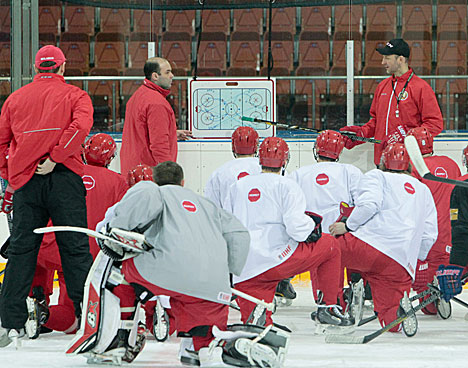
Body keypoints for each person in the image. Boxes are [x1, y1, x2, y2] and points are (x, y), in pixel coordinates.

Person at [85, 161, 274, 367]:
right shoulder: (207, 204)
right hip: (213, 283)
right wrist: (228, 273)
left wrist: (115, 230)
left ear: (155, 180)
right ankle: (206, 350)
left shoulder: (152, 192)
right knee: (206, 327)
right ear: (183, 182)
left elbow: (117, 228)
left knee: (117, 273)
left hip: (163, 271)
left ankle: (118, 341)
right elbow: (239, 235)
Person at [0, 45, 94, 343]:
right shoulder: (75, 96)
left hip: (27, 182)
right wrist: (56, 156)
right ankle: (88, 317)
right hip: (64, 177)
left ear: (36, 68)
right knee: (76, 249)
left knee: (21, 251)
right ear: (62, 68)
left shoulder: (15, 99)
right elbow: (82, 126)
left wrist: (12, 174)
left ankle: (10, 321)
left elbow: (1, 144)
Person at [223, 137, 352, 328]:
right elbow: (297, 230)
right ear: (285, 160)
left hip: (245, 269)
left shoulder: (238, 186)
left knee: (257, 326)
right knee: (330, 245)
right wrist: (312, 226)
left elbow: (226, 224)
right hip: (276, 261)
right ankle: (328, 307)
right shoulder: (287, 185)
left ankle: (263, 316)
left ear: (260, 159)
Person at [27, 133, 129, 337]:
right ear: (110, 157)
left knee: (37, 267)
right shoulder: (118, 182)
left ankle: (32, 300)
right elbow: (123, 222)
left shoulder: (64, 172)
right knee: (74, 318)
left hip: (45, 243)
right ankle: (44, 314)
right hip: (79, 252)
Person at [329, 143, 438, 331]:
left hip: (368, 247)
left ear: (383, 162)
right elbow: (430, 232)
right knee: (391, 324)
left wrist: (347, 226)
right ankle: (396, 312)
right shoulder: (423, 189)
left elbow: (369, 205)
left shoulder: (376, 176)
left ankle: (330, 305)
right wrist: (414, 257)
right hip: (400, 262)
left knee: (324, 250)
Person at [340, 39, 443, 166]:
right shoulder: (382, 86)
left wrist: (406, 136)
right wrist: (360, 134)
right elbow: (376, 122)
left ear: (400, 59)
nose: (383, 62)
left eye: (387, 58)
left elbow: (435, 124)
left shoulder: (421, 87)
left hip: (408, 163)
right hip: (382, 162)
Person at [289, 130, 363, 302]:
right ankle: (356, 289)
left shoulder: (299, 174)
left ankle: (330, 303)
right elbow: (364, 205)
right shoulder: (350, 171)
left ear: (317, 149)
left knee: (323, 287)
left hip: (315, 240)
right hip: (345, 236)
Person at [407, 127, 460, 314]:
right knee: (447, 268)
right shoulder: (451, 163)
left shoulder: (413, 168)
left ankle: (433, 298)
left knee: (423, 286)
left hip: (426, 233)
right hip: (451, 233)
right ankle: (443, 290)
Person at [120, 57, 192, 175]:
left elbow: (142, 130)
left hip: (133, 169)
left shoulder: (137, 95)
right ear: (155, 76)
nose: (172, 75)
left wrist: (172, 132)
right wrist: (169, 174)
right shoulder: (157, 103)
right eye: (167, 72)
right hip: (150, 173)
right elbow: (159, 145)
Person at [204, 126, 261, 208]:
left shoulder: (219, 173)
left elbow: (211, 207)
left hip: (230, 220)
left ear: (233, 146)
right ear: (256, 146)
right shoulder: (267, 170)